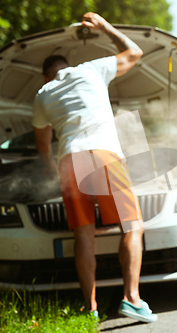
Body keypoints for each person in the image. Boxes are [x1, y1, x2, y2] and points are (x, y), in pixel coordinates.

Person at [32, 12, 157, 323]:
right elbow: (135, 52)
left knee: (83, 236)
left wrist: (49, 171)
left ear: (47, 76)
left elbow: (44, 146)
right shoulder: (91, 70)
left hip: (70, 160)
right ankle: (131, 298)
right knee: (132, 226)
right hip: (104, 154)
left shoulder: (43, 95)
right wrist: (104, 27)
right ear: (68, 67)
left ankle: (90, 307)